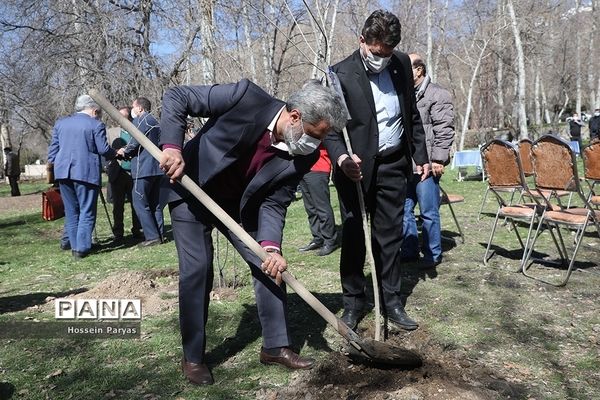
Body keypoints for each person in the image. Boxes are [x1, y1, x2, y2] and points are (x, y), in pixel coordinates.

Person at [158, 79, 346, 385]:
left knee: (270, 266)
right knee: (197, 270)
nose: (316, 145)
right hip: (191, 188)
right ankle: (193, 357)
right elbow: (178, 96)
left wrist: (271, 247)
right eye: (315, 136)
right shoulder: (245, 97)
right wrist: (172, 147)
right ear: (295, 117)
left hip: (237, 207)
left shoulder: (305, 154)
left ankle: (275, 346)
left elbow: (275, 202)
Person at [324, 10, 429, 332]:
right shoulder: (340, 73)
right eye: (375, 53)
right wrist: (342, 159)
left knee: (389, 237)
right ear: (362, 41)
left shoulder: (399, 65)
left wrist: (420, 154)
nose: (380, 60)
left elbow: (411, 114)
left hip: (394, 164)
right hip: (354, 168)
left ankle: (392, 301)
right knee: (355, 236)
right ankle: (354, 303)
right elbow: (330, 129)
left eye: (386, 54)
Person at [401, 54, 455, 268]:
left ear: (419, 70)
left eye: (407, 68)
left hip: (428, 164)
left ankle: (433, 254)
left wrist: (438, 159)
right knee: (404, 210)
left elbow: (445, 129)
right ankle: (409, 250)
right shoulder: (405, 95)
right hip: (407, 165)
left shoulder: (437, 94)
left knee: (428, 211)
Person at [47, 95, 116, 258]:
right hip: (85, 172)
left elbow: (52, 153)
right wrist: (116, 153)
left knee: (71, 211)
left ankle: (75, 246)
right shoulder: (96, 124)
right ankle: (82, 248)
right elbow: (104, 150)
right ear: (94, 110)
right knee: (87, 210)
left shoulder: (61, 123)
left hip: (63, 173)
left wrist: (55, 168)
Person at [118, 97, 164, 247]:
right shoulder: (156, 122)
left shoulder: (141, 121)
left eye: (133, 107)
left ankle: (152, 237)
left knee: (139, 203)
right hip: (157, 169)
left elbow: (134, 142)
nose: (132, 110)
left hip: (142, 168)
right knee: (155, 204)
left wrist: (124, 151)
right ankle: (160, 234)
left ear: (140, 108)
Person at [106, 106, 142, 242]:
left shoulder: (136, 131)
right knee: (118, 205)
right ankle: (118, 233)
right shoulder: (111, 132)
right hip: (117, 173)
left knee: (136, 204)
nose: (120, 119)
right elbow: (105, 152)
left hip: (134, 172)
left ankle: (137, 230)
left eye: (123, 116)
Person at [298, 144, 339, 256]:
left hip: (318, 166)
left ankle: (330, 240)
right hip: (303, 167)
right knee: (310, 208)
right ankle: (318, 238)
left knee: (322, 207)